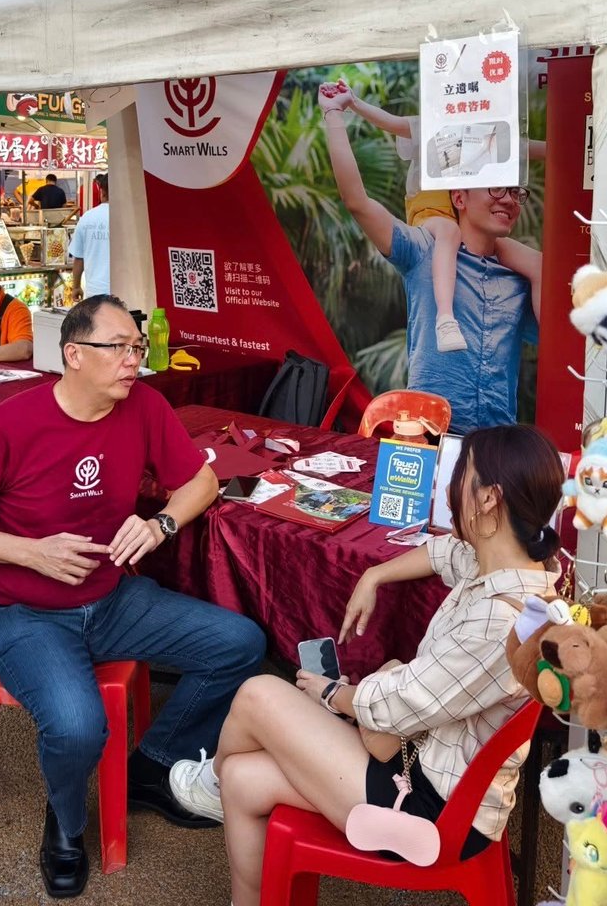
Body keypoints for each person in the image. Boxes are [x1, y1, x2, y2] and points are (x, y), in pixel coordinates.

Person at [0, 296, 266, 899]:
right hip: (24, 613)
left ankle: (151, 767)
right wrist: (31, 552)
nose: (134, 360)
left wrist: (161, 525)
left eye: (137, 348)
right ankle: (67, 821)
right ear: (73, 354)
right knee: (78, 727)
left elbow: (203, 480)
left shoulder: (144, 405)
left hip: (112, 600)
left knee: (240, 644)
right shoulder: (11, 423)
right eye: (119, 348)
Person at [168, 425, 563, 904]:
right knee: (243, 779)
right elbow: (444, 553)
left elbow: (398, 705)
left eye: (461, 472)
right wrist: (374, 574)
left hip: (432, 807)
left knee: (258, 694)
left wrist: (332, 695)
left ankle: (209, 782)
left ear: (488, 499)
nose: (448, 485)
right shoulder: (512, 572)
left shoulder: (498, 623)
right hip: (419, 763)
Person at [322, 90, 540, 433]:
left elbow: (556, 340)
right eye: (497, 188)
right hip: (427, 436)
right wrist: (334, 114)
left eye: (516, 192)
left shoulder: (519, 275)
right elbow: (357, 202)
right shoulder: (424, 250)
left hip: (494, 442)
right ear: (459, 197)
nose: (509, 200)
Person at [68, 174, 110, 300]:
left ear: (102, 192)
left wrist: (76, 286)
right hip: (128, 291)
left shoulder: (87, 217)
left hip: (95, 292)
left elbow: (79, 258)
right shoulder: (130, 217)